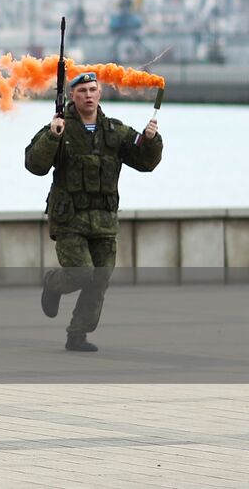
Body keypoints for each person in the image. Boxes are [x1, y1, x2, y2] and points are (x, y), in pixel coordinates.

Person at [25, 71, 162, 351]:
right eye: (82, 91)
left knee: (99, 278)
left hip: (103, 219)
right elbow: (34, 165)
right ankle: (53, 283)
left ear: (99, 94)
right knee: (80, 273)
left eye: (92, 90)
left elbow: (146, 163)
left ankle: (78, 334)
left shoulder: (115, 130)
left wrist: (151, 141)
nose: (88, 95)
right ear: (72, 97)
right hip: (70, 218)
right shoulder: (59, 128)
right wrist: (52, 136)